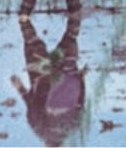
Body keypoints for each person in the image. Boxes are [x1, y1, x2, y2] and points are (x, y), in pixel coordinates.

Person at [10, 12, 85, 146]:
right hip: (43, 78)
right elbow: (32, 105)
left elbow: (81, 101)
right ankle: (24, 20)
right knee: (32, 43)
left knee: (70, 38)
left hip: (68, 75)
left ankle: (75, 14)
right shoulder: (41, 130)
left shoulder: (73, 127)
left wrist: (81, 77)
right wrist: (20, 88)